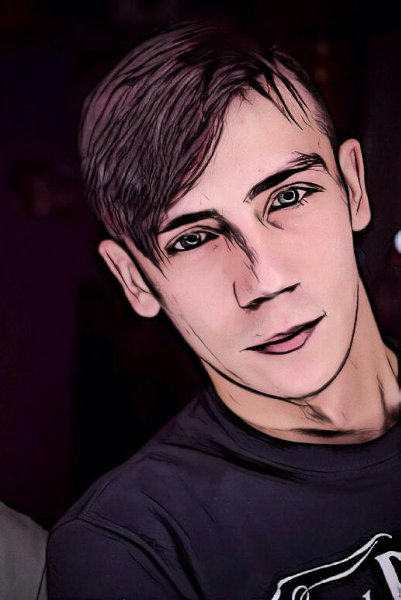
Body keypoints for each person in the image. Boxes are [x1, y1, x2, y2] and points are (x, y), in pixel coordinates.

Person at [47, 21, 401, 599]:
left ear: (354, 187)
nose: (266, 280)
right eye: (193, 239)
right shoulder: (132, 546)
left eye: (288, 196)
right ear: (134, 279)